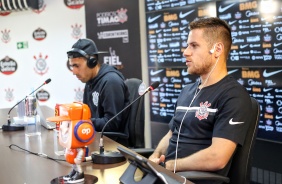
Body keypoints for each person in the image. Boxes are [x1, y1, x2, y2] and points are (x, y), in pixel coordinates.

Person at [149, 17, 252, 183]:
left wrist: (170, 166)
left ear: (217, 49)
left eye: (194, 45)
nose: (186, 52)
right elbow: (171, 134)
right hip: (166, 177)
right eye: (188, 45)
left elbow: (217, 157)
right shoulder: (187, 91)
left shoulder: (234, 96)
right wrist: (153, 159)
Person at [67, 38, 130, 138]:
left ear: (92, 62)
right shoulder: (90, 81)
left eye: (77, 66)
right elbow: (89, 114)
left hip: (111, 144)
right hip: (95, 137)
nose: (74, 72)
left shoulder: (111, 81)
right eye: (72, 66)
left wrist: (81, 123)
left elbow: (112, 124)